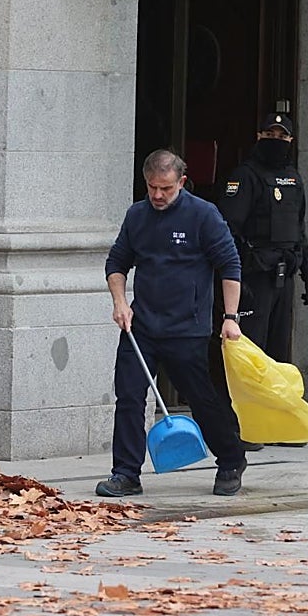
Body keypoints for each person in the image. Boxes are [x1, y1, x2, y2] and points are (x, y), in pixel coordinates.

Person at [97, 149, 248, 498]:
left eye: (165, 188)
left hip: (187, 328)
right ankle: (126, 473)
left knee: (202, 399)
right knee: (129, 397)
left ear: (181, 182)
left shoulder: (203, 215)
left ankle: (230, 459)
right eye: (151, 187)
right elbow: (117, 263)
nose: (158, 195)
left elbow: (230, 265)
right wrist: (120, 303)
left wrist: (230, 318)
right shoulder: (137, 215)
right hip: (141, 327)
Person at [218, 112, 308, 363]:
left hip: (284, 276)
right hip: (255, 277)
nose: (276, 140)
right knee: (250, 351)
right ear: (259, 136)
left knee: (279, 353)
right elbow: (227, 231)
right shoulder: (245, 176)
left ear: (290, 140)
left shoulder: (293, 178)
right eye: (269, 134)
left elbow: (299, 230)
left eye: (282, 136)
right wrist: (234, 278)